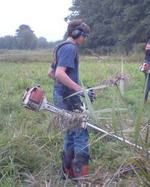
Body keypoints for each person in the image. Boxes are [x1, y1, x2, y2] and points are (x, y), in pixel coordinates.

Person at [48, 19, 91, 183]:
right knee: (80, 132)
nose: (85, 38)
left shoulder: (59, 47)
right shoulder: (69, 48)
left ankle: (69, 175)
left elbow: (50, 73)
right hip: (68, 97)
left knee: (70, 131)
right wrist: (78, 89)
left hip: (62, 94)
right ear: (76, 33)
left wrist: (65, 87)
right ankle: (81, 179)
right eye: (84, 35)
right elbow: (59, 73)